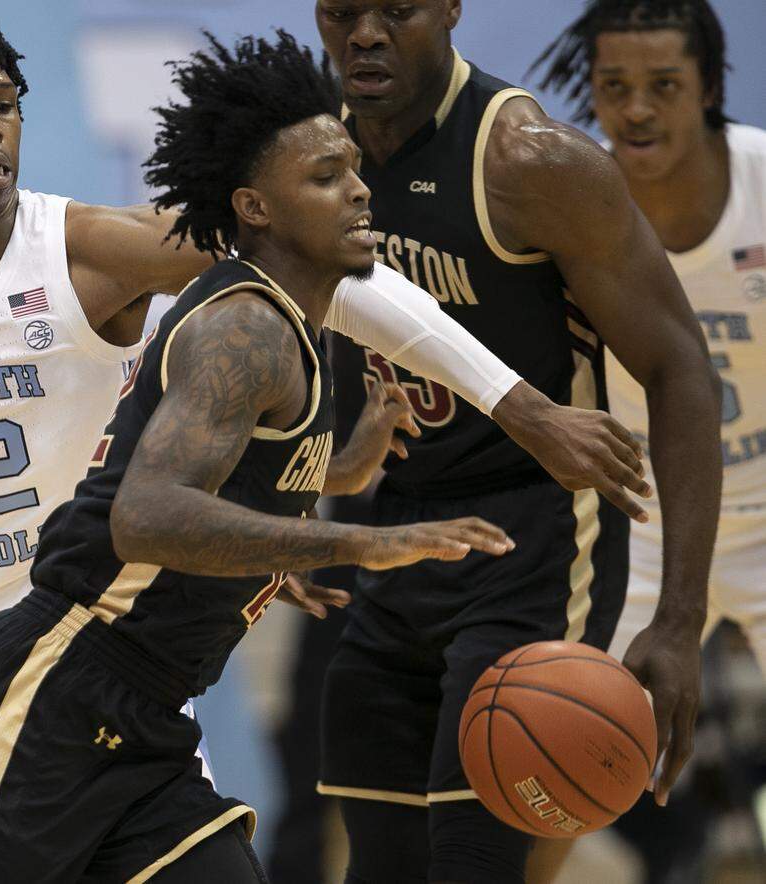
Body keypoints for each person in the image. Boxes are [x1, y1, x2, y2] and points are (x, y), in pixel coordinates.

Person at [0, 6, 657, 882]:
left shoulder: (94, 250)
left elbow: (331, 267)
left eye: (4, 103)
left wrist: (515, 406)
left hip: (121, 660)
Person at [0, 31, 519, 883]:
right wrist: (362, 542)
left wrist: (344, 469)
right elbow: (147, 517)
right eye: (325, 177)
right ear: (256, 208)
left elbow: (241, 479)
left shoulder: (294, 327)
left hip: (143, 721)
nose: (359, 189)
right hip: (50, 700)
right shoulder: (244, 328)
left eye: (353, 169)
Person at [312, 2, 723, 882]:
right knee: (378, 859)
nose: (366, 32)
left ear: (451, 7)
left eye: (397, 8)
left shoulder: (529, 162)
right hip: (396, 527)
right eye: (343, 10)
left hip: (535, 533)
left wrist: (680, 619)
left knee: (476, 857)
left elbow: (681, 367)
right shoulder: (310, 153)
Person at [534, 1, 766, 879]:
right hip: (638, 525)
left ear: (707, 88)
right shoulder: (573, 201)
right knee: (556, 758)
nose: (635, 109)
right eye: (614, 86)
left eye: (663, 85)